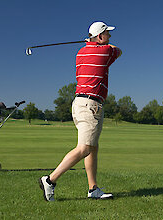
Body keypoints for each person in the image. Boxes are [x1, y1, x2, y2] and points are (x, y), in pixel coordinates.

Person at [39, 21, 122, 201]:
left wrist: (91, 42)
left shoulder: (81, 52)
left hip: (81, 103)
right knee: (84, 148)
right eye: (107, 34)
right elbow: (118, 50)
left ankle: (93, 189)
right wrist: (98, 43)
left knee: (92, 147)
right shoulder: (105, 51)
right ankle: (50, 180)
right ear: (100, 37)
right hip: (90, 105)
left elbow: (97, 46)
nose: (110, 37)